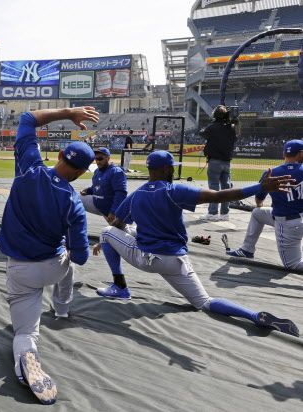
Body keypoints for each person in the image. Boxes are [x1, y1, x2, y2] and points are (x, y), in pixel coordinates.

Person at [94, 150, 299, 337]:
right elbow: (220, 196)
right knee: (205, 302)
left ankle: (120, 288)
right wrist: (259, 187)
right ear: (167, 169)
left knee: (106, 232)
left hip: (149, 259)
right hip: (177, 261)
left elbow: (116, 225)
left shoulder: (136, 194)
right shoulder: (173, 191)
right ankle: (253, 316)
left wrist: (105, 242)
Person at [0, 107, 99, 405]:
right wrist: (68, 250)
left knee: (26, 331)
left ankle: (26, 356)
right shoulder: (74, 204)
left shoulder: (29, 169)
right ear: (80, 173)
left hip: (22, 268)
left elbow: (28, 119)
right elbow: (80, 257)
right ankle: (62, 308)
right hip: (54, 267)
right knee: (67, 265)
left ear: (58, 157)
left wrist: (68, 112)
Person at [226, 140, 303, 270]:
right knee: (258, 214)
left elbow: (259, 200)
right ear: (300, 154)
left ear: (284, 153)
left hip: (287, 224)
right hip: (298, 219)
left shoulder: (271, 173)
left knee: (293, 265)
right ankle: (247, 249)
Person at [200, 105, 240, 221]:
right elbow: (235, 137)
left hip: (215, 161)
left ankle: (212, 213)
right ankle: (224, 214)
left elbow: (202, 133)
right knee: (226, 188)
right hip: (227, 162)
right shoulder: (231, 127)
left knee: (213, 188)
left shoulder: (212, 127)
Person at [79, 147, 127, 224]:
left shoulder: (116, 172)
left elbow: (121, 193)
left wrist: (113, 211)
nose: (97, 161)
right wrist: (87, 190)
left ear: (108, 158)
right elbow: (97, 188)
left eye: (100, 158)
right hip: (98, 206)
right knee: (76, 200)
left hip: (110, 210)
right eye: (96, 159)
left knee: (120, 231)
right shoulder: (97, 171)